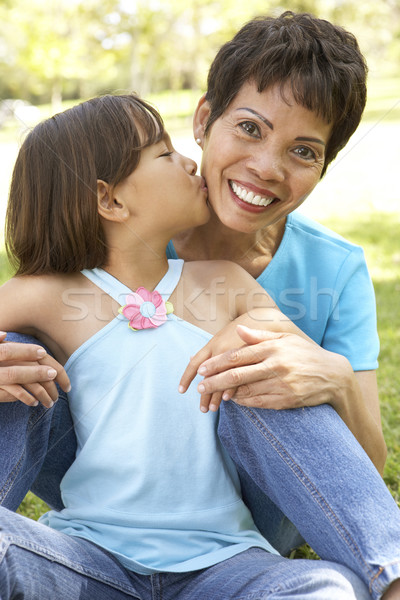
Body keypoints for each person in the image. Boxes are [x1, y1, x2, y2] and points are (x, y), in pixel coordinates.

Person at [1, 11, 400, 599]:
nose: (266, 168)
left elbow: (353, 455)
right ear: (205, 120)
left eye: (304, 151)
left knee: (267, 361)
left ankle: (387, 571)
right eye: (250, 129)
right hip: (93, 553)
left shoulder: (272, 278)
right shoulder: (65, 282)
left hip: (230, 549)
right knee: (18, 356)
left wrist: (332, 376)